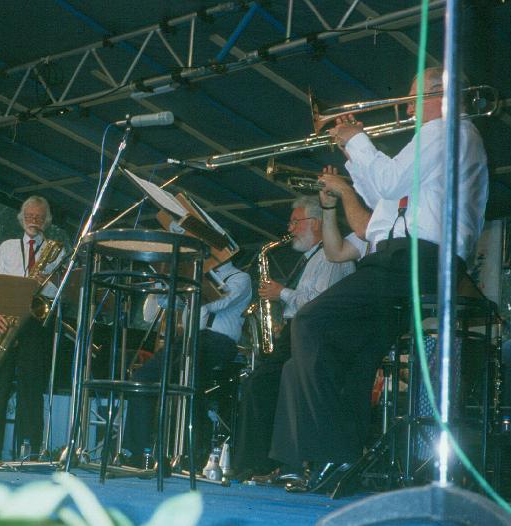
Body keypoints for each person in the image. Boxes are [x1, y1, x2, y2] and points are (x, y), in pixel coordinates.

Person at [269, 67, 489, 493]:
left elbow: (387, 181)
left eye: (413, 99)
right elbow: (381, 199)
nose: (406, 110)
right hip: (411, 259)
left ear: (443, 95)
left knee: (311, 322)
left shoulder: (448, 131)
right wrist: (353, 154)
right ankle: (338, 458)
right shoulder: (443, 140)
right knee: (356, 354)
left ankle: (327, 450)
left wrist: (357, 139)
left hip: (414, 258)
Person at [235, 195, 364, 481]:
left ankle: (257, 464)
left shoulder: (330, 256)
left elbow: (318, 303)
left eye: (295, 222)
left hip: (314, 333)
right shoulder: (314, 258)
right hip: (300, 330)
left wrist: (281, 292)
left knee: (261, 385)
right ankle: (264, 463)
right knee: (267, 386)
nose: (290, 229)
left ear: (315, 223)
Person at [122, 257, 253, 467]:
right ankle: (139, 452)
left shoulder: (240, 278)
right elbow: (166, 303)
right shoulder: (195, 275)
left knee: (186, 380)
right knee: (142, 377)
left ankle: (190, 453)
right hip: (187, 338)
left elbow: (219, 303)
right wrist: (164, 284)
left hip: (218, 341)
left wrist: (192, 285)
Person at [0, 195, 65, 460]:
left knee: (32, 387)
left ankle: (30, 451)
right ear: (22, 218)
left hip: (35, 325)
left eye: (39, 217)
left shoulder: (55, 251)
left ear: (46, 221)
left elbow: (58, 293)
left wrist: (45, 283)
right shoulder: (7, 247)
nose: (34, 221)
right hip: (5, 321)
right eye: (29, 216)